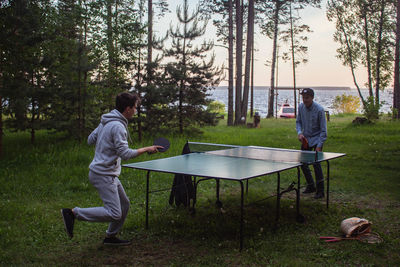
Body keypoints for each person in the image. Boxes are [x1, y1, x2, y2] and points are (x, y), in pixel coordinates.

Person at [61, 92, 163, 246]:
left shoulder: (106, 121)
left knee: (124, 205)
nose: (135, 110)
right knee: (115, 213)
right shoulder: (117, 126)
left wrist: (105, 141)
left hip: (105, 172)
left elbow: (90, 140)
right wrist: (146, 148)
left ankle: (110, 237)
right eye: (135, 107)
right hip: (104, 174)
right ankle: (73, 213)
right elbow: (125, 154)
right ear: (128, 109)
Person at [296, 88, 327, 199]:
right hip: (306, 139)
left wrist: (319, 146)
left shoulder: (319, 110)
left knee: (316, 165)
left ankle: (320, 191)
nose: (305, 100)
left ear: (312, 98)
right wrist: (300, 133)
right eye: (304, 98)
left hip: (317, 139)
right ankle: (311, 186)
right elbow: (298, 122)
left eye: (307, 98)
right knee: (303, 163)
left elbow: (324, 131)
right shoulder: (300, 107)